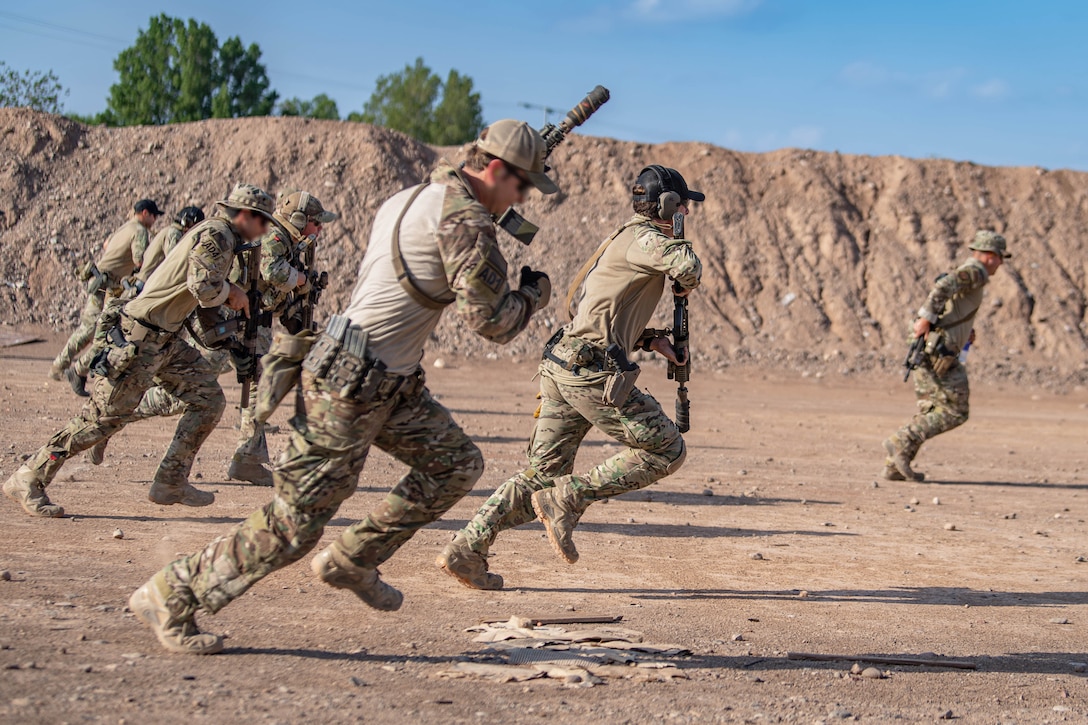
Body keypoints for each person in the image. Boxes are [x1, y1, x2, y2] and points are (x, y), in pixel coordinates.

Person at [129, 119, 556, 655]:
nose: (523, 200)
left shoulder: (412, 197)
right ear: (495, 170)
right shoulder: (465, 221)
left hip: (387, 379)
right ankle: (174, 593)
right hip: (350, 383)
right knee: (294, 525)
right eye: (522, 187)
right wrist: (531, 296)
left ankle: (354, 557)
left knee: (456, 464)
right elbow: (491, 322)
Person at [438, 165, 703, 590]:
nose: (687, 211)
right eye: (682, 204)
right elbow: (687, 266)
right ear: (668, 205)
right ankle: (570, 497)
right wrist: (685, 275)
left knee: (541, 475)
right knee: (667, 450)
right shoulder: (648, 240)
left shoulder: (625, 237)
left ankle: (468, 548)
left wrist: (652, 340)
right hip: (589, 373)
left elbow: (604, 310)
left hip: (564, 363)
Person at [3, 185, 274, 518]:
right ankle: (28, 476)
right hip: (140, 339)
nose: (265, 230)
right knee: (99, 421)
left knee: (209, 399)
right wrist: (232, 291)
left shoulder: (226, 239)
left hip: (165, 339)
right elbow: (202, 287)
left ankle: (170, 480)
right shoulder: (217, 235)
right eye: (263, 222)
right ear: (245, 215)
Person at [228, 190, 338, 486]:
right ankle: (115, 412)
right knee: (190, 388)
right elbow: (271, 271)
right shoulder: (275, 238)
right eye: (316, 223)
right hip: (233, 322)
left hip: (251, 322)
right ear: (299, 221)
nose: (320, 229)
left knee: (255, 386)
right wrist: (300, 280)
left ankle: (247, 458)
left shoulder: (288, 243)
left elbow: (268, 291)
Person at [881, 230, 1011, 482]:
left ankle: (895, 464)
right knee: (955, 411)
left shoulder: (974, 272)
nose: (1001, 263)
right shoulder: (976, 270)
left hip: (938, 349)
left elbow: (954, 303)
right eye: (999, 257)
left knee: (931, 407)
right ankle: (900, 442)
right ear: (989, 255)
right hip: (938, 351)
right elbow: (944, 286)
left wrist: (964, 330)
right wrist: (925, 318)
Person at [51, 199, 163, 393]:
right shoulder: (139, 231)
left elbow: (106, 245)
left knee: (94, 329)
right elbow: (139, 260)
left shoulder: (125, 227)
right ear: (145, 213)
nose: (154, 221)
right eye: (154, 216)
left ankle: (64, 367)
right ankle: (64, 367)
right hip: (106, 286)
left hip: (102, 282)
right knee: (93, 329)